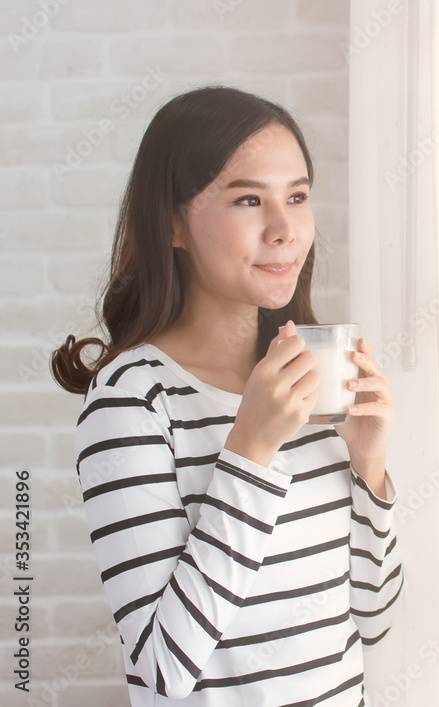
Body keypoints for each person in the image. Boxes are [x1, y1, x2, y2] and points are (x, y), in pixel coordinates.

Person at [50, 86, 403, 706]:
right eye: (248, 199)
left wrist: (369, 469)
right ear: (172, 224)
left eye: (297, 197)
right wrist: (250, 451)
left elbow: (373, 619)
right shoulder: (132, 401)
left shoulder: (310, 380)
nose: (285, 229)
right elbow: (163, 667)